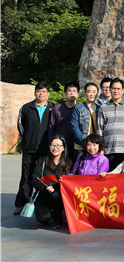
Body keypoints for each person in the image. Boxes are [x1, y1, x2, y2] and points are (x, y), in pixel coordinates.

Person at [15, 82, 54, 215]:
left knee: (43, 176)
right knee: (26, 176)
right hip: (29, 148)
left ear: (48, 93)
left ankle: (42, 203)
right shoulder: (26, 108)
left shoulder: (52, 108)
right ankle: (22, 203)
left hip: (46, 149)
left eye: (44, 91)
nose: (41, 93)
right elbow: (21, 126)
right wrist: (28, 138)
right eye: (38, 91)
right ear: (35, 92)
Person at [32, 135, 72, 229]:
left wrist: (61, 184)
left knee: (55, 195)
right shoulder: (42, 160)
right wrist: (45, 187)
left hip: (59, 196)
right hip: (43, 196)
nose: (55, 148)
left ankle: (58, 218)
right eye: (53, 145)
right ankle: (50, 212)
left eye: (58, 146)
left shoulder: (68, 163)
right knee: (43, 218)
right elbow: (34, 179)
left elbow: (71, 181)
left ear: (63, 148)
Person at [97, 78, 124, 171]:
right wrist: (101, 148)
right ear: (110, 89)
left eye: (118, 89)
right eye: (114, 88)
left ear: (123, 91)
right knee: (108, 176)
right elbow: (99, 129)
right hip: (108, 150)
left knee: (123, 176)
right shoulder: (103, 107)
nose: (116, 91)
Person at [48, 81, 79, 162]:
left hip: (76, 145)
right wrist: (52, 144)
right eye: (69, 91)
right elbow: (52, 127)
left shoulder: (80, 108)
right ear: (65, 93)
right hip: (60, 146)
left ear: (78, 94)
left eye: (74, 91)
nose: (72, 93)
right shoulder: (57, 108)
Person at [71, 82, 100, 162]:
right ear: (85, 93)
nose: (92, 94)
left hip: (95, 146)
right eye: (89, 91)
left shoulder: (100, 108)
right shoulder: (78, 107)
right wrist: (84, 141)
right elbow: (74, 126)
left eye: (94, 92)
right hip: (80, 145)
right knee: (80, 166)